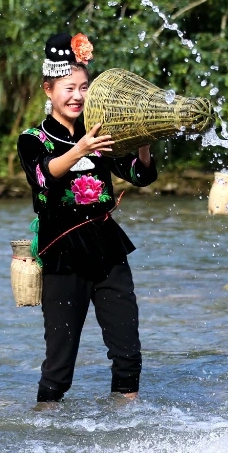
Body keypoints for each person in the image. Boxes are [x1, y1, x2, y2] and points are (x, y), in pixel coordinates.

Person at [17, 32, 159, 404]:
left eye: (84, 87)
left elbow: (141, 175)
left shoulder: (101, 132)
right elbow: (45, 178)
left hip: (108, 247)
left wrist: (143, 138)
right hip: (62, 251)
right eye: (69, 88)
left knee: (128, 351)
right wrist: (80, 148)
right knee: (60, 364)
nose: (78, 96)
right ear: (49, 90)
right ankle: (45, 439)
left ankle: (126, 432)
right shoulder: (33, 139)